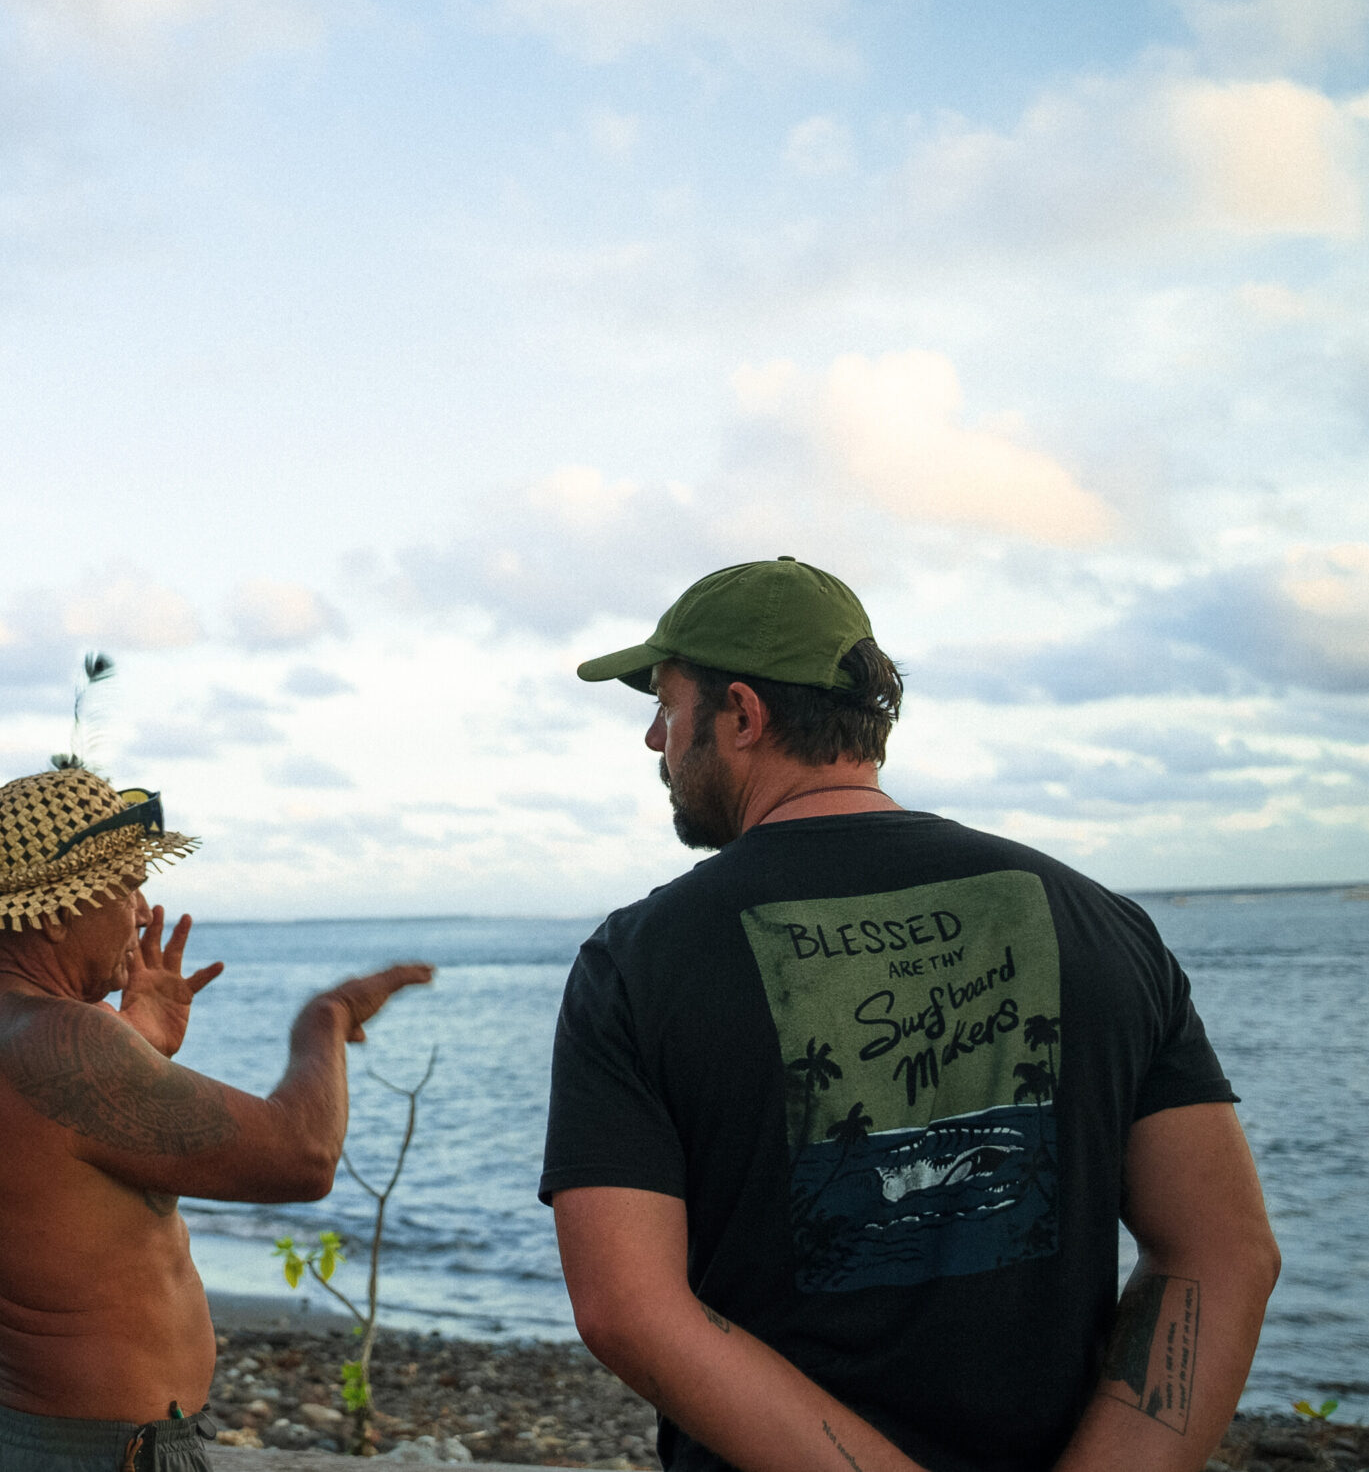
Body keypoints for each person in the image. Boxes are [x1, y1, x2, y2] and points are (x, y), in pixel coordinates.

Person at [541, 557, 1282, 1472]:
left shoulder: (638, 962)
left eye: (665, 702)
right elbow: (1223, 1254)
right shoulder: (1100, 924)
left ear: (741, 713)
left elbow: (628, 1309)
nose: (655, 737)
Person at [0, 764, 432, 1472]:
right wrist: (326, 1016)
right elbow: (304, 1154)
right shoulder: (55, 1039)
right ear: (52, 909)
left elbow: (39, 1181)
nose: (141, 911)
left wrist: (132, 1038)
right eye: (127, 885)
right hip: (97, 1453)